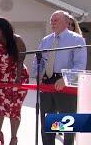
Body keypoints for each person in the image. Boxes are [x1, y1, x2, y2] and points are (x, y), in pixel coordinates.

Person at [37, 10, 87, 145]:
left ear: (66, 22)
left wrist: (65, 79)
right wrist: (38, 74)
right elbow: (39, 61)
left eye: (56, 20)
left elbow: (80, 64)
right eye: (51, 20)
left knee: (66, 123)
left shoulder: (76, 39)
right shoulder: (46, 40)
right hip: (47, 83)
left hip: (65, 83)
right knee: (48, 124)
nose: (52, 23)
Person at [0, 17, 28, 145]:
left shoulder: (16, 40)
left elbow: (20, 61)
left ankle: (13, 138)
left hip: (16, 78)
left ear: (5, 28)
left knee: (14, 109)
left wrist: (18, 79)